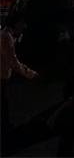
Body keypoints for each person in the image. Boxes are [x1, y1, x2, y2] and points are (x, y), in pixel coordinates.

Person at [1, 12, 38, 141]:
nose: (24, 26)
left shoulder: (8, 35)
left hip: (2, 76)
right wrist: (30, 74)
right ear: (16, 23)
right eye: (22, 23)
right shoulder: (6, 37)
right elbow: (13, 61)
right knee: (3, 104)